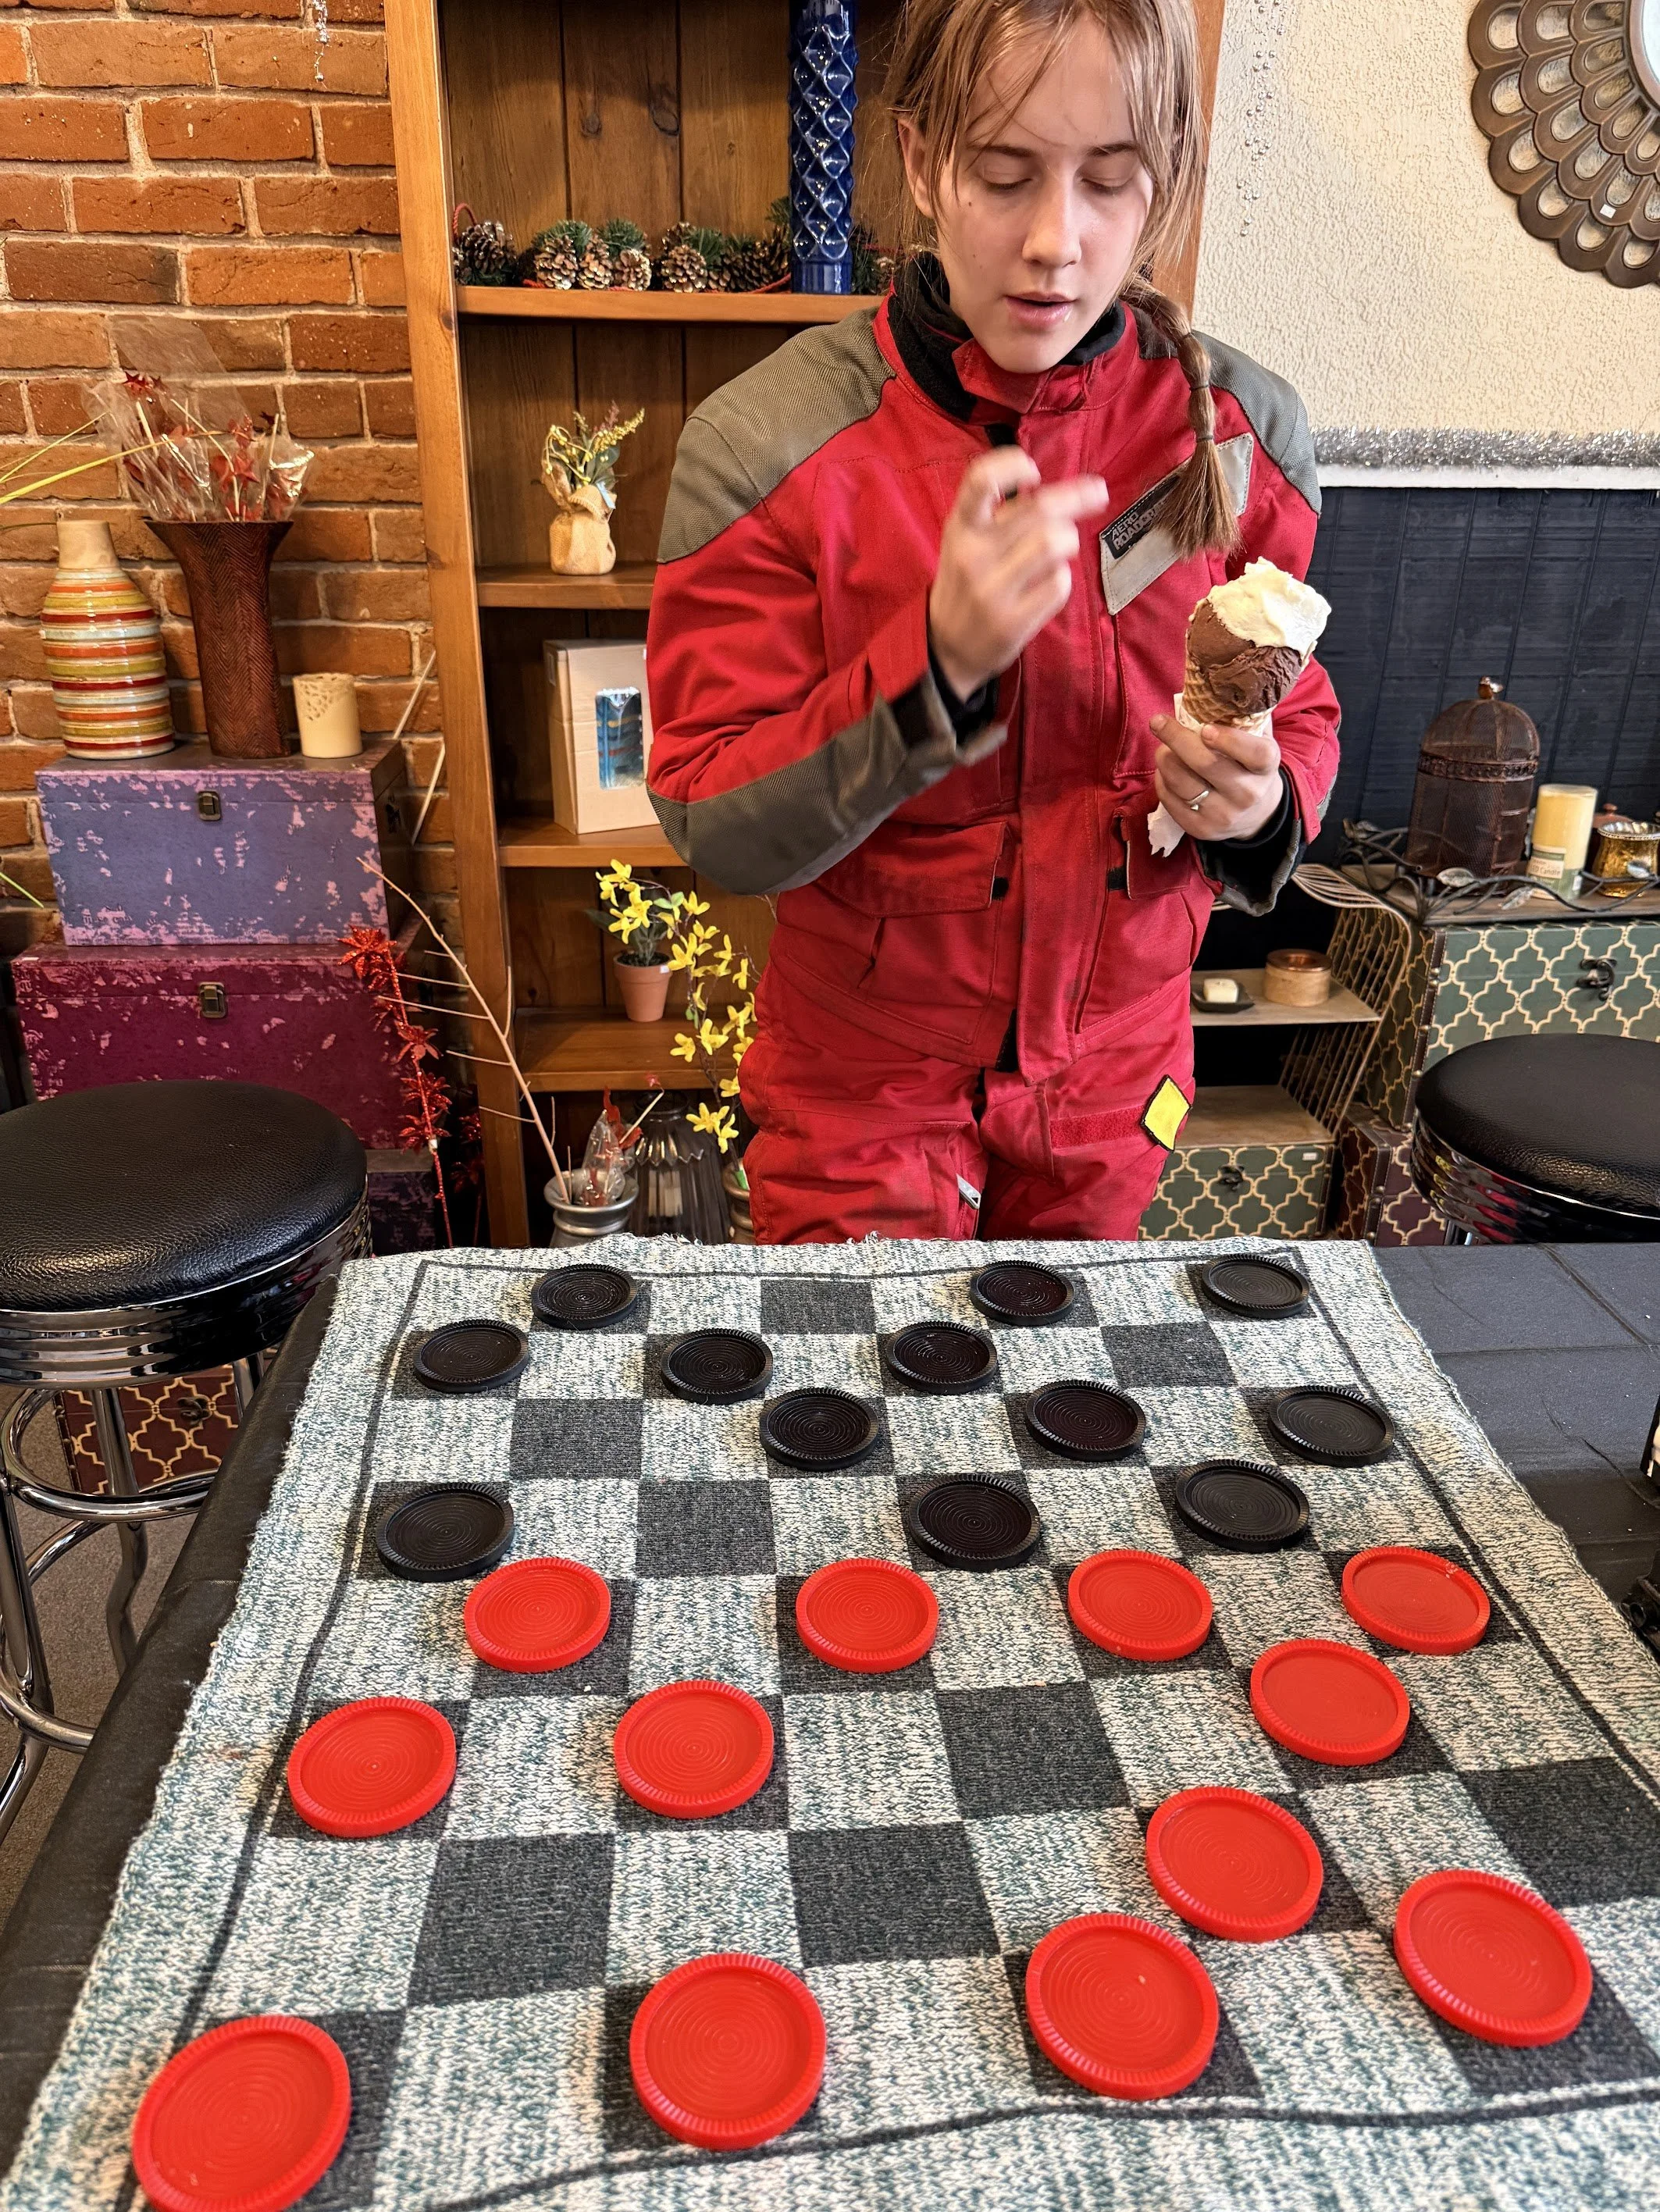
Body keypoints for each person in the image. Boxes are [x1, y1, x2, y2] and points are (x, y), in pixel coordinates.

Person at [645, 0, 1340, 1245]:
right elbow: (715, 820)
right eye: (1003, 174)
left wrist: (1261, 806)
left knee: (1070, 1415)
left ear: (1165, 178)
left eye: (1111, 182)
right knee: (866, 1421)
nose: (1053, 244)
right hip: (863, 1091)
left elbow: (1301, 706)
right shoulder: (764, 447)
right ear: (919, 162)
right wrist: (933, 674)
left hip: (1121, 1075)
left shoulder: (1242, 438)